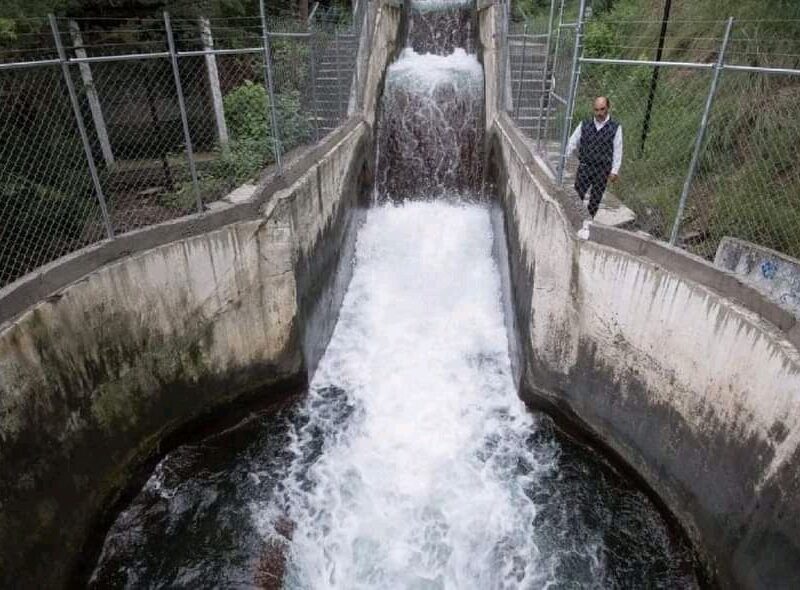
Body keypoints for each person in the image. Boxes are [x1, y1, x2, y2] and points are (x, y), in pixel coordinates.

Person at [565, 96, 623, 218]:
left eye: (602, 109)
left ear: (608, 108)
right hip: (585, 166)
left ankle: (588, 223)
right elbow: (572, 142)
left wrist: (614, 170)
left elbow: (618, 150)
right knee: (577, 195)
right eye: (596, 110)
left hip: (602, 170)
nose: (599, 113)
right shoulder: (585, 124)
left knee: (595, 200)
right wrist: (564, 157)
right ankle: (574, 219)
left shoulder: (615, 128)